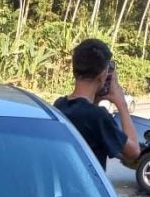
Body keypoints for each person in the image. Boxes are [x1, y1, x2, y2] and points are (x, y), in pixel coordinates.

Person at [54, 39, 140, 170]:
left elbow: (82, 111)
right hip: (85, 189)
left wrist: (96, 99)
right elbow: (133, 152)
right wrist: (121, 104)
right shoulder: (98, 116)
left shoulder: (59, 105)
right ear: (102, 75)